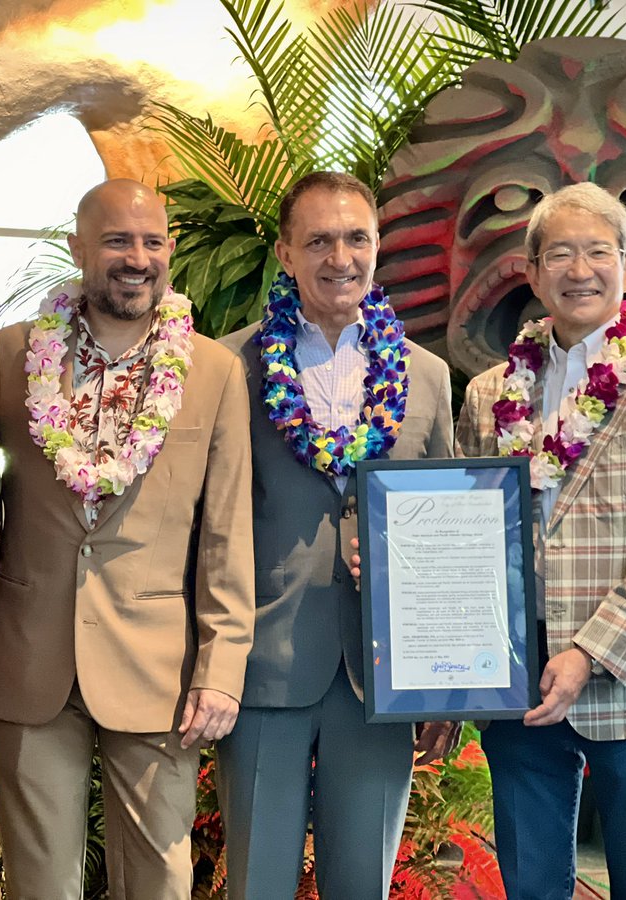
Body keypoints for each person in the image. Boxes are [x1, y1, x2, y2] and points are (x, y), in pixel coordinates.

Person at [0, 178, 255, 900]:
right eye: (117, 240)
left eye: (152, 241)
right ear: (78, 249)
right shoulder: (12, 358)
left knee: (159, 877)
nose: (137, 257)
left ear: (170, 248)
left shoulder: (216, 371)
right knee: (40, 883)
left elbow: (226, 533)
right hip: (31, 659)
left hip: (159, 669)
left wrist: (222, 665)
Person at [454, 182, 626, 897]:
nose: (581, 270)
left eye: (598, 252)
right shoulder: (488, 394)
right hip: (519, 684)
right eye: (561, 254)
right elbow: (472, 539)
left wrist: (588, 653)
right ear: (533, 271)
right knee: (532, 885)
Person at [215, 171, 460, 899]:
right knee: (256, 884)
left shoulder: (428, 377)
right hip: (263, 667)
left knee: (364, 887)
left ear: (378, 247)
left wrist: (443, 686)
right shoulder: (232, 368)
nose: (340, 256)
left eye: (357, 237)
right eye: (318, 239)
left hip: (381, 680)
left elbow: (447, 536)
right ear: (286, 253)